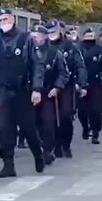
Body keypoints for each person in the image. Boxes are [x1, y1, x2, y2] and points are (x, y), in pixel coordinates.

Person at [0, 9, 45, 177]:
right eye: (0, 20)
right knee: (4, 129)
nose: (3, 22)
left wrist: (37, 89)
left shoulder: (26, 39)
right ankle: (8, 165)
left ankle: (38, 155)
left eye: (6, 19)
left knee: (28, 128)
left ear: (13, 20)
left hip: (23, 91)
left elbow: (37, 65)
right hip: (4, 92)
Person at [49, 20, 87, 158]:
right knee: (51, 118)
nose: (51, 34)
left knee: (65, 116)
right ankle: (55, 145)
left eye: (54, 31)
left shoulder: (70, 46)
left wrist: (81, 84)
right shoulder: (45, 46)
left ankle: (66, 144)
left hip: (67, 86)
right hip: (49, 86)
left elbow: (80, 65)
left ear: (60, 31)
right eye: (49, 32)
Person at [31, 25, 68, 165]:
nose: (34, 38)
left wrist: (57, 87)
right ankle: (39, 146)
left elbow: (63, 72)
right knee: (33, 123)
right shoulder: (27, 51)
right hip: (30, 93)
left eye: (37, 35)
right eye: (32, 35)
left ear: (44, 36)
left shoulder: (54, 52)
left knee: (48, 122)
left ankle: (47, 150)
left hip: (48, 92)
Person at [78, 27, 102, 144]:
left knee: (96, 110)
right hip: (81, 84)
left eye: (91, 36)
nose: (90, 38)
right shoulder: (78, 48)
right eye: (87, 36)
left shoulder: (100, 49)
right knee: (82, 111)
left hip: (96, 83)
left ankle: (95, 133)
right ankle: (85, 127)